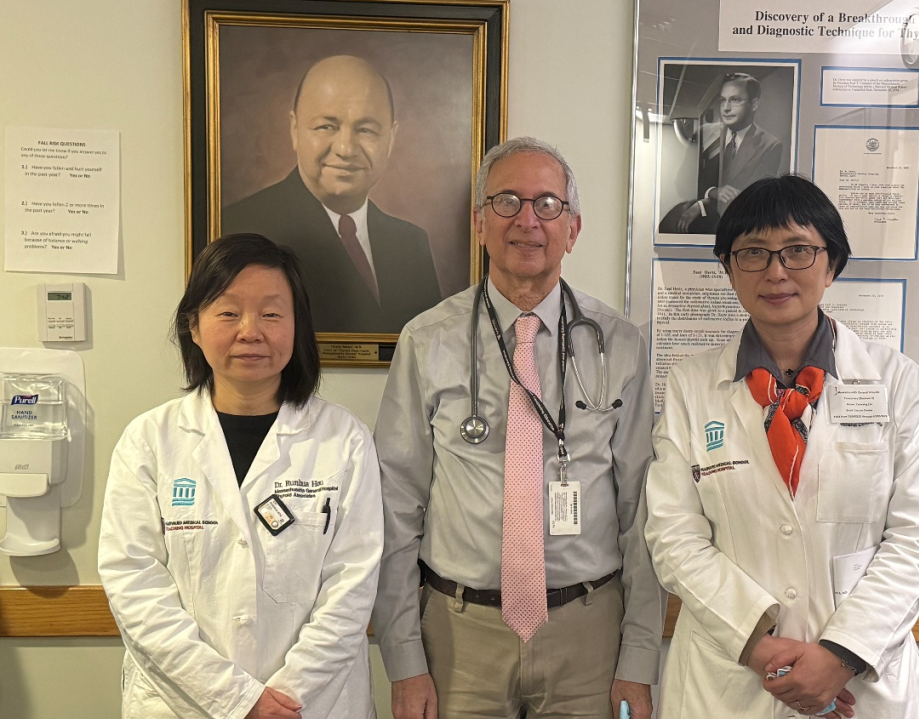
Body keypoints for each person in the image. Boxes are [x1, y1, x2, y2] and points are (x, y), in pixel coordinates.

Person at [372, 137, 665, 719]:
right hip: (459, 638)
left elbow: (642, 512)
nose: (527, 220)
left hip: (589, 636)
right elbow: (394, 507)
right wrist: (404, 661)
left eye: (547, 204)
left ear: (573, 229)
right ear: (479, 223)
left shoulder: (620, 344)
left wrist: (638, 660)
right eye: (507, 201)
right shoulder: (427, 341)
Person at [645, 175, 919, 718]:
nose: (776, 271)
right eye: (753, 253)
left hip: (861, 681)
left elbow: (917, 538)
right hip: (731, 677)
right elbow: (673, 536)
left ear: (832, 265)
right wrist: (759, 647)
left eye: (798, 251)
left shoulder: (896, 382)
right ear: (728, 268)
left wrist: (840, 655)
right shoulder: (691, 387)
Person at [99, 234, 383, 719]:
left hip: (312, 703)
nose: (250, 331)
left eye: (271, 314)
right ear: (194, 325)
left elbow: (352, 586)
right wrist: (237, 701)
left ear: (297, 326)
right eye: (229, 312)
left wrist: (283, 699)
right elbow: (133, 583)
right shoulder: (149, 441)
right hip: (185, 704)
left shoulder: (345, 440)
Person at [222, 55, 443, 334]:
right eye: (326, 126)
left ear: (391, 139)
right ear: (295, 130)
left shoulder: (411, 244)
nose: (345, 149)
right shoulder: (239, 227)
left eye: (366, 130)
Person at [659, 72, 784, 235]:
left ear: (754, 104)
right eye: (723, 100)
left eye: (735, 100)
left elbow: (753, 199)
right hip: (696, 226)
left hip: (736, 229)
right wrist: (712, 192)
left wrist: (702, 205)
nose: (726, 108)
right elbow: (683, 183)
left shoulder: (770, 145)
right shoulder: (704, 133)